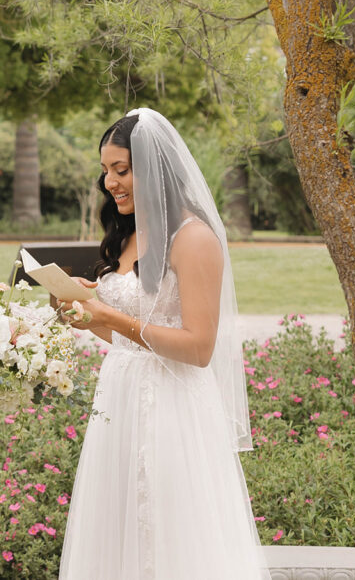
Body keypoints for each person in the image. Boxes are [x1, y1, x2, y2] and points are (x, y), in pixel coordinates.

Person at [58, 108, 271, 579]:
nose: (111, 182)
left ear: (154, 168)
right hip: (120, 400)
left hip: (173, 409)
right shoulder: (129, 234)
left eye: (122, 169)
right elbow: (131, 337)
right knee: (119, 531)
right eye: (106, 170)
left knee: (169, 536)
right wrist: (85, 316)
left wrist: (111, 315)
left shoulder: (193, 238)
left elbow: (198, 347)